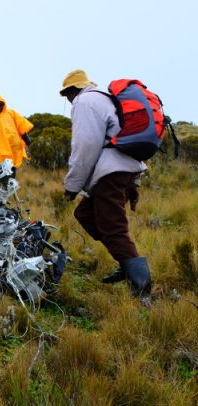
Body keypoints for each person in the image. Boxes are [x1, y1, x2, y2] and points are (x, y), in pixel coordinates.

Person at [59, 69, 151, 302]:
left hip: (110, 173)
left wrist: (72, 186)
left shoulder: (84, 102)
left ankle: (142, 293)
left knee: (114, 228)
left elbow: (85, 147)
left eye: (66, 94)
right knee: (85, 214)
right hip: (124, 169)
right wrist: (135, 182)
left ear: (72, 90)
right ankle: (125, 260)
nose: (67, 99)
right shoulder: (105, 99)